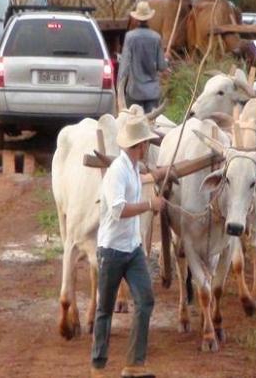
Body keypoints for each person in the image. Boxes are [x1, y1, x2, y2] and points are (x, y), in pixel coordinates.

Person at [91, 115, 166, 378]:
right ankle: (98, 366)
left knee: (145, 300)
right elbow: (118, 210)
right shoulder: (117, 173)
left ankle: (134, 363)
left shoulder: (135, 169)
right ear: (140, 146)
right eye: (145, 142)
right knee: (105, 309)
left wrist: (152, 203)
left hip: (132, 249)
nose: (146, 146)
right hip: (111, 250)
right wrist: (150, 205)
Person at [117, 1, 168, 114]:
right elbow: (161, 66)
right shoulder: (156, 37)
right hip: (152, 92)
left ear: (136, 19)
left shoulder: (130, 37)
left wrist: (119, 88)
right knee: (151, 125)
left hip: (135, 91)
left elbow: (124, 66)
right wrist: (166, 62)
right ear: (149, 18)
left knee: (133, 124)